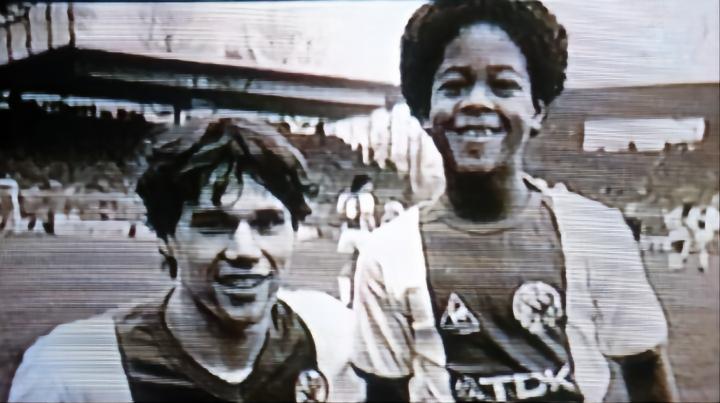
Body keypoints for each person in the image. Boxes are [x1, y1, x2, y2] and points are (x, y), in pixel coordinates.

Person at [352, 1, 678, 402]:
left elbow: (645, 369)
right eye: (453, 86)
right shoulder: (387, 253)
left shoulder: (596, 232)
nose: (477, 102)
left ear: (537, 110)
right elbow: (385, 393)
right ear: (423, 110)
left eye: (504, 86)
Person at [9, 118, 363, 402]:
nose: (245, 250)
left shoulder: (331, 336)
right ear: (166, 239)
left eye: (267, 223)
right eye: (213, 225)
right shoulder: (74, 369)